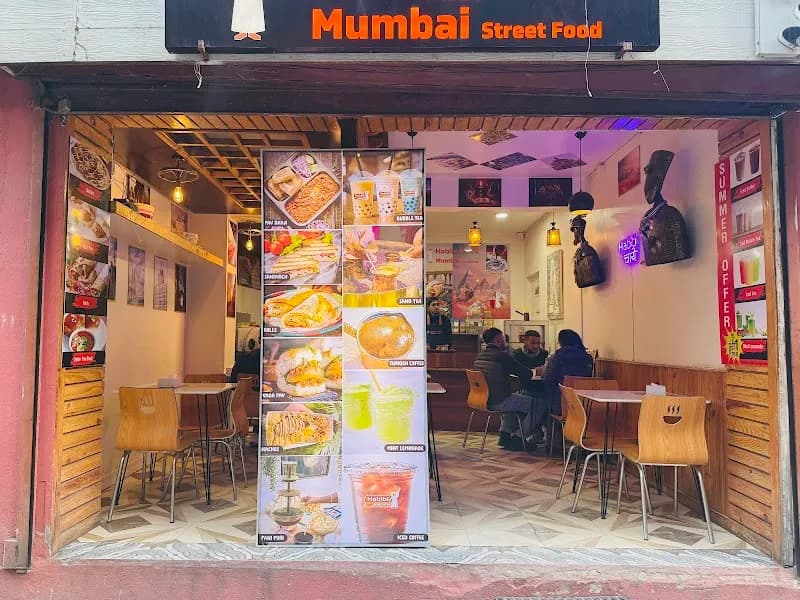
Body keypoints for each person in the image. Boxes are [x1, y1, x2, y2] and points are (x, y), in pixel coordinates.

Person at [472, 327, 536, 451]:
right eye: (502, 338)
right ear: (498, 339)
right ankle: (518, 438)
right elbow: (526, 373)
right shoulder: (501, 356)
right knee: (537, 405)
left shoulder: (480, 356)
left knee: (514, 400)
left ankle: (505, 436)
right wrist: (537, 371)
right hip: (499, 400)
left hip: (483, 399)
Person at [540, 329, 594, 448]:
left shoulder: (557, 357)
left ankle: (553, 444)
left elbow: (548, 379)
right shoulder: (588, 358)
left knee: (544, 405)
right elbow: (588, 378)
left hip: (561, 403)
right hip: (583, 403)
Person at [511, 330, 549, 442]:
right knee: (538, 405)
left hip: (541, 388)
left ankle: (535, 433)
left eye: (538, 343)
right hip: (524, 388)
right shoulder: (517, 355)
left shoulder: (544, 354)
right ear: (525, 341)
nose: (536, 346)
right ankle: (522, 435)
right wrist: (533, 372)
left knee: (546, 404)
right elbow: (515, 372)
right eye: (533, 343)